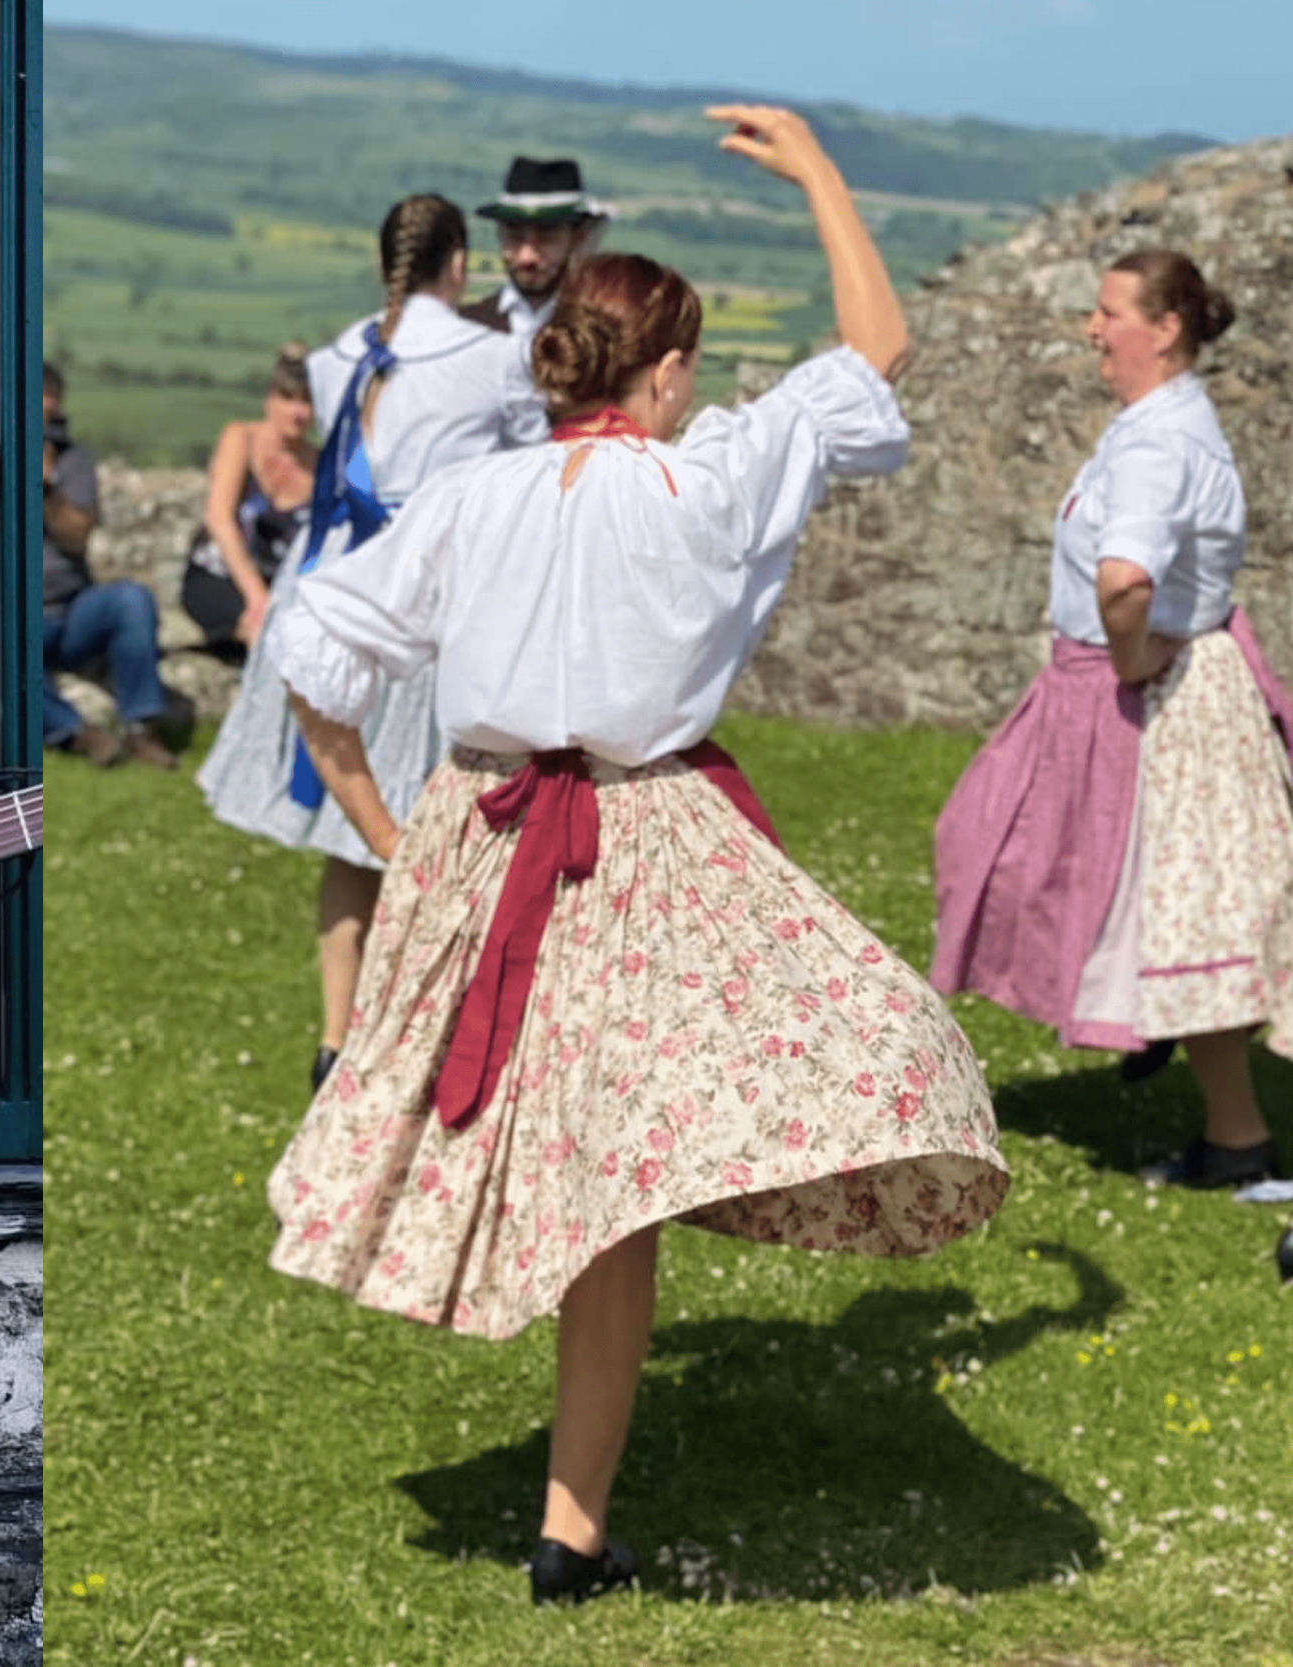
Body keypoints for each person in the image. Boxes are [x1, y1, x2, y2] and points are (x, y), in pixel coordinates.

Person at [259, 109, 1008, 1606]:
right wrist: (817, 175)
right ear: (666, 373)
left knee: (577, 1172)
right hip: (648, 844)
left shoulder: (473, 498)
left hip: (480, 840)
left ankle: (569, 1523)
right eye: (690, 368)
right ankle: (570, 1523)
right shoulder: (714, 477)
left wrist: (396, 837)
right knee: (690, 1152)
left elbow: (312, 650)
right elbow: (881, 345)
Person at [931, 249, 1291, 1189]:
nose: (1092, 329)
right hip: (1121, 687)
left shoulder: (1157, 443)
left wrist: (1131, 660)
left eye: (1108, 312)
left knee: (1189, 925)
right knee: (1003, 849)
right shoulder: (1153, 426)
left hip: (1159, 699)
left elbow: (1125, 579)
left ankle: (1234, 1136)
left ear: (1163, 328)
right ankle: (1157, 1039)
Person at [198, 193, 546, 1091]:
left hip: (325, 598)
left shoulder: (333, 357)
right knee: (435, 823)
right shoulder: (495, 357)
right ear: (460, 264)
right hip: (426, 603)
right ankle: (428, 1035)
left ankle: (336, 1038)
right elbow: (529, 467)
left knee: (350, 836)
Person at [41, 360, 177, 769]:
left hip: (71, 609)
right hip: (17, 618)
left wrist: (45, 484)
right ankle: (78, 734)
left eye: (54, 413)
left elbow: (76, 535)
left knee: (131, 600)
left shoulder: (73, 461)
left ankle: (141, 729)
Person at [177, 342, 316, 656]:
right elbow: (219, 519)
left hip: (283, 586)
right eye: (288, 398)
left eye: (308, 401)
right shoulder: (240, 437)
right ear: (269, 398)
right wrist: (257, 596)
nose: (299, 412)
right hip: (221, 575)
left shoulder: (320, 468)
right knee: (266, 630)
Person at [460, 156, 611, 345]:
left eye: (546, 238)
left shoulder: (600, 332)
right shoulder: (466, 327)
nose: (527, 257)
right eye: (515, 237)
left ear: (577, 238)